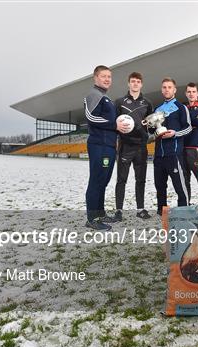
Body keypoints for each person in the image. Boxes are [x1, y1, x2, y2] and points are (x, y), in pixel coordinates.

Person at [84, 65, 130, 230]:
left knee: (103, 181)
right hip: (99, 145)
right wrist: (114, 124)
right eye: (103, 76)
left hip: (109, 146)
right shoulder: (93, 94)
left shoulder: (106, 98)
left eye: (109, 77)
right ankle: (92, 218)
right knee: (96, 181)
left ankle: (100, 213)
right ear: (95, 78)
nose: (107, 79)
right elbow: (90, 117)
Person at [114, 72, 153, 221]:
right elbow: (114, 123)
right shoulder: (119, 102)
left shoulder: (147, 103)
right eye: (133, 81)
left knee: (140, 180)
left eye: (138, 81)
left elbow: (151, 126)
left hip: (141, 147)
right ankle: (118, 211)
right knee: (121, 179)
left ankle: (140, 209)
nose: (135, 84)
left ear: (141, 84)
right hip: (125, 146)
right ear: (128, 84)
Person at [152, 78, 192, 215]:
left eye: (169, 87)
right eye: (164, 87)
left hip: (174, 154)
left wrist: (175, 133)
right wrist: (150, 129)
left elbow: (188, 128)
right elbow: (153, 131)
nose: (166, 89)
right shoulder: (157, 110)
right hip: (158, 155)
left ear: (174, 90)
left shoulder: (181, 107)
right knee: (160, 187)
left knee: (180, 187)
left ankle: (183, 212)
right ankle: (161, 212)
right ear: (161, 90)